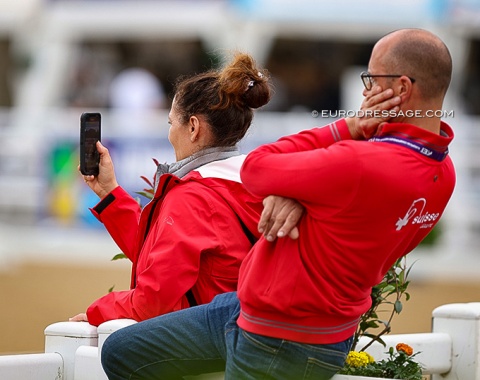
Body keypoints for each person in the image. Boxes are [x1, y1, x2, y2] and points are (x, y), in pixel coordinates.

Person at [100, 28, 456, 380]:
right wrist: (302, 195)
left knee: (120, 356)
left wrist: (345, 127)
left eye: (372, 80)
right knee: (120, 352)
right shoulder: (443, 173)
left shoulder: (358, 164)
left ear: (402, 88)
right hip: (305, 323)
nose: (366, 93)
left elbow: (259, 167)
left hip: (278, 332)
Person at [70, 52, 301, 326]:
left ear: (193, 127)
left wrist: (95, 312)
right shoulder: (258, 184)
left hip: (213, 342)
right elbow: (160, 255)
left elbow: (152, 301)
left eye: (171, 122)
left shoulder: (193, 196)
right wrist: (110, 194)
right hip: (261, 333)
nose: (169, 132)